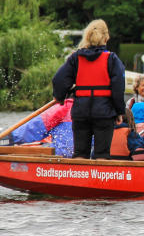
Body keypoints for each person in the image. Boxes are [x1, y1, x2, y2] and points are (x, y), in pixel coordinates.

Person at [52, 18, 126, 159]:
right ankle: (100, 179)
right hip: (104, 113)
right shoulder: (112, 59)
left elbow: (59, 80)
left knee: (80, 153)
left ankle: (78, 179)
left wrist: (59, 96)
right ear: (106, 37)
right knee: (102, 155)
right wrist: (119, 112)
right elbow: (118, 88)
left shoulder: (75, 58)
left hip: (81, 112)